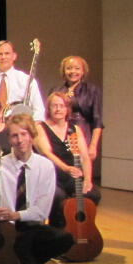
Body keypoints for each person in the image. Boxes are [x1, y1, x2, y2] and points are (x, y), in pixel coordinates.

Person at [0, 114, 73, 264]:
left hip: (30, 229)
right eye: (14, 135)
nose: (19, 140)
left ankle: (20, 261)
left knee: (65, 238)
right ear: (9, 139)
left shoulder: (45, 166)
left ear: (31, 135)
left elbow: (42, 211)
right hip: (5, 230)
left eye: (23, 134)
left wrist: (15, 215)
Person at [33, 92, 101, 228]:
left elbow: (85, 157)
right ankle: (56, 228)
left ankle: (78, 228)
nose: (58, 109)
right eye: (54, 106)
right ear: (49, 109)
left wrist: (87, 180)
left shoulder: (74, 129)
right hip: (53, 176)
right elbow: (47, 153)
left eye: (61, 106)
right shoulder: (40, 127)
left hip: (72, 176)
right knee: (58, 196)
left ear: (67, 109)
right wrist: (66, 168)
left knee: (93, 194)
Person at [48, 55, 103, 163]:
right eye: (69, 68)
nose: (73, 71)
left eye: (77, 68)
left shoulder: (92, 90)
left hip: (82, 133)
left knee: (79, 169)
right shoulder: (56, 90)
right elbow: (49, 115)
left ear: (83, 71)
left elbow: (97, 120)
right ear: (64, 71)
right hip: (58, 132)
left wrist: (93, 146)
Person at [0, 40, 46, 122]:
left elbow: (39, 110)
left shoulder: (27, 80)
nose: (3, 57)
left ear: (14, 56)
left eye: (7, 53)